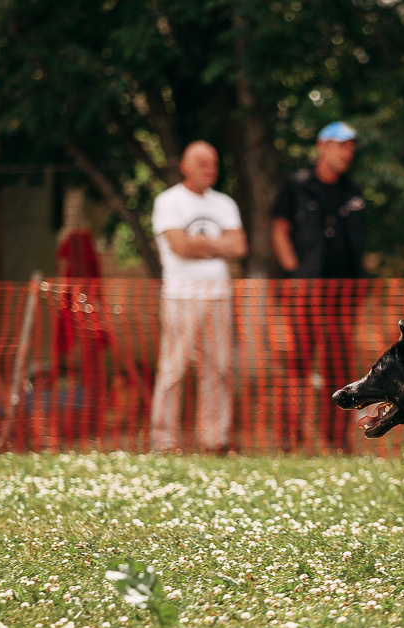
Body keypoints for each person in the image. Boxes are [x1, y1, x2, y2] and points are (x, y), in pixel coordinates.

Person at [269, 120, 369, 453]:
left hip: (343, 296)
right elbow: (279, 231)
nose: (346, 153)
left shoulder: (352, 192)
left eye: (350, 147)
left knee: (339, 368)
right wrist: (296, 275)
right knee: (298, 366)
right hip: (304, 294)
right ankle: (288, 438)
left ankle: (335, 441)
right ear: (321, 146)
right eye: (341, 146)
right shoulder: (296, 186)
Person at [149, 140, 248, 454]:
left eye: (214, 164)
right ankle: (164, 441)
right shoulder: (169, 202)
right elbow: (179, 246)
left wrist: (199, 243)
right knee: (173, 369)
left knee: (219, 369)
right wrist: (217, 244)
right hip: (180, 296)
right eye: (203, 164)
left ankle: (214, 439)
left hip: (218, 296)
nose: (210, 170)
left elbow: (239, 247)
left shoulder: (225, 204)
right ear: (185, 166)